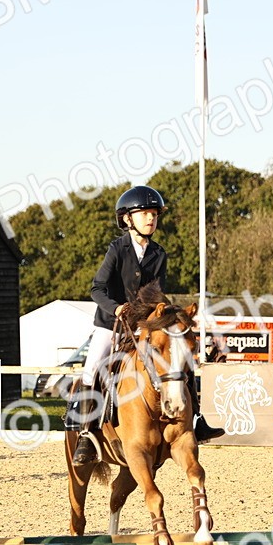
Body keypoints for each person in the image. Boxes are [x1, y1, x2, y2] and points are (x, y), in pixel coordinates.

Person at [67, 185, 224, 465]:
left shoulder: (159, 253)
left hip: (143, 324)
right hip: (110, 322)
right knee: (92, 369)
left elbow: (154, 293)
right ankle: (86, 435)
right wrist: (115, 307)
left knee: (178, 361)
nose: (151, 219)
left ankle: (197, 422)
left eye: (154, 214)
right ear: (128, 219)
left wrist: (159, 316)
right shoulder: (117, 249)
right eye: (144, 214)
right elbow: (97, 288)